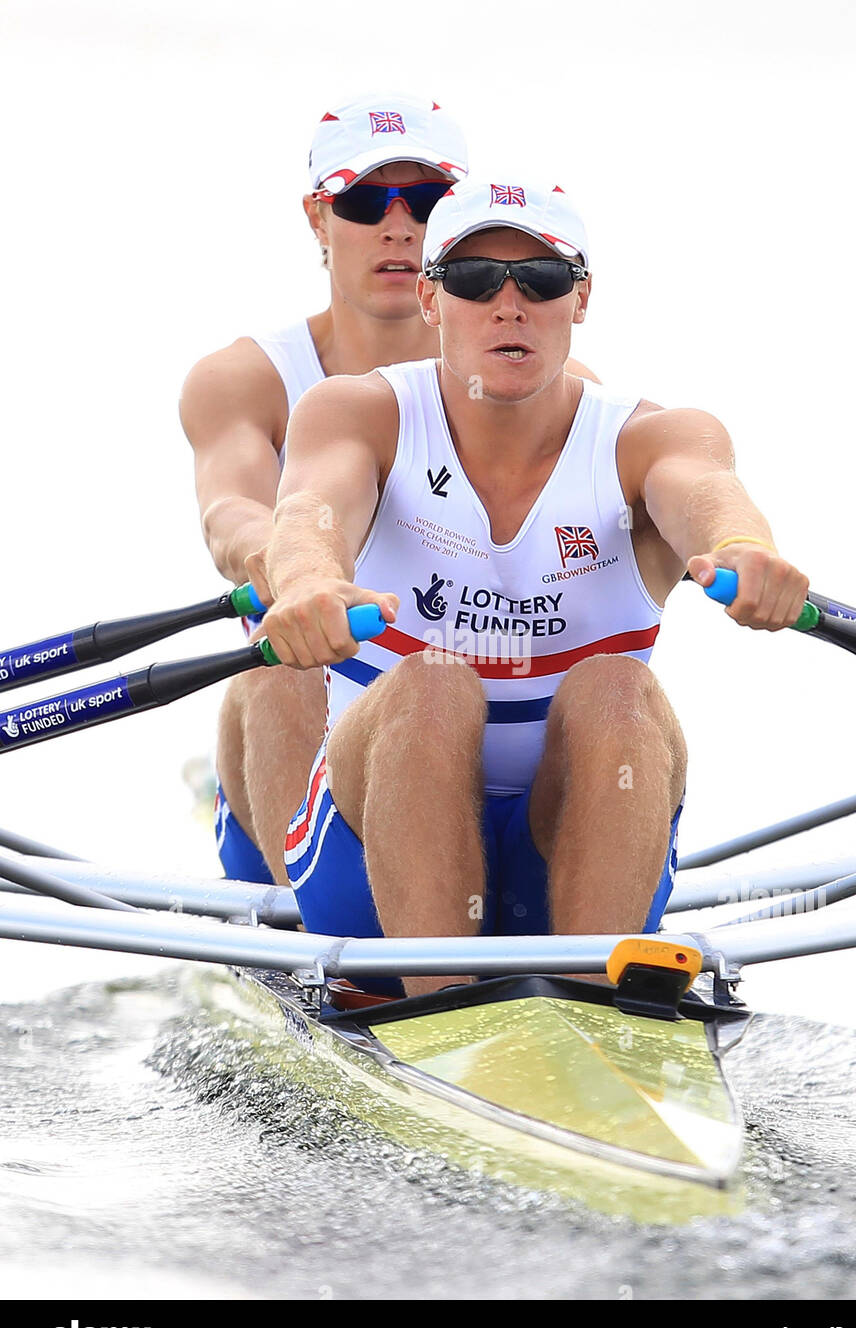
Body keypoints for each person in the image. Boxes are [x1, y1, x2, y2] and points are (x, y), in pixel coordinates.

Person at [258, 178, 809, 996]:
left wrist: (743, 549)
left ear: (580, 299)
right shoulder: (357, 415)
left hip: (575, 839)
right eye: (477, 279)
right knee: (435, 687)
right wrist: (306, 581)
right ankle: (441, 1012)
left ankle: (595, 1013)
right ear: (431, 298)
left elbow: (706, 494)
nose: (508, 305)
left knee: (620, 689)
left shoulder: (652, 435)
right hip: (367, 864)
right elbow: (310, 513)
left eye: (541, 281)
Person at [180, 96, 596, 887]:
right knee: (284, 664)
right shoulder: (244, 379)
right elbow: (228, 511)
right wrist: (283, 560)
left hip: (451, 714)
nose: (399, 226)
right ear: (318, 217)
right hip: (308, 703)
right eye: (368, 200)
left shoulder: (564, 391)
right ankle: (311, 930)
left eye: (428, 200)